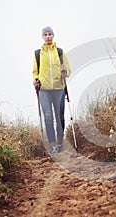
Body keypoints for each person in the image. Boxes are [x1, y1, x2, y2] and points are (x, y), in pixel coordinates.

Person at [32, 26, 71, 154]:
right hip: (44, 90)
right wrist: (36, 79)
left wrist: (65, 71)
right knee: (48, 117)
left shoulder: (60, 52)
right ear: (42, 37)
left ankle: (60, 143)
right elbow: (35, 72)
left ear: (53, 36)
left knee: (60, 117)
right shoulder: (38, 54)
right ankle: (53, 145)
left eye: (50, 34)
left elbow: (68, 71)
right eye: (45, 34)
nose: (48, 36)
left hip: (59, 89)